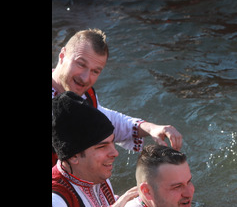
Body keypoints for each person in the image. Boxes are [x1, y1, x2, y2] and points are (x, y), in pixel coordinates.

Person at [51, 29, 182, 166]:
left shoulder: (84, 95)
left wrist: (150, 128)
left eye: (95, 71)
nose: (85, 78)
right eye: (81, 64)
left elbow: (104, 120)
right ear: (62, 55)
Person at [52, 92, 139, 207]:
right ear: (73, 156)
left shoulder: (93, 173)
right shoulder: (55, 195)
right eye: (102, 147)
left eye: (113, 143)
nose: (115, 153)